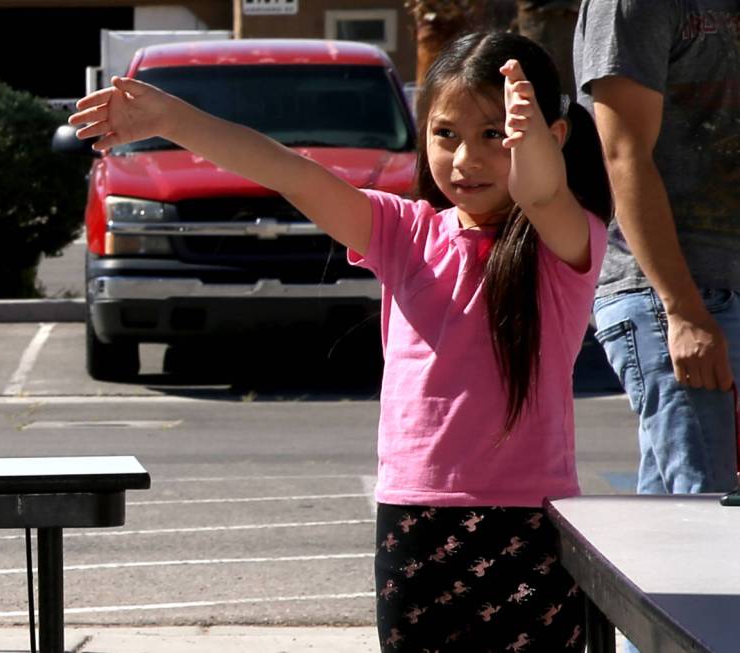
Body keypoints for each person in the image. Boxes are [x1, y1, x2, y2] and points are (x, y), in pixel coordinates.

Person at [70, 31, 611, 652]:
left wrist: (530, 141)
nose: (466, 160)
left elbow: (541, 192)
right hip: (413, 515)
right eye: (446, 134)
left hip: (529, 521)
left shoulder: (564, 241)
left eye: (497, 136)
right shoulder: (405, 233)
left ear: (554, 139)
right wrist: (172, 118)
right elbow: (288, 173)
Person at [574, 0, 740, 497]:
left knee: (674, 519)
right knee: (711, 516)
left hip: (722, 288)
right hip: (670, 295)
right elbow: (623, 153)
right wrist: (683, 310)